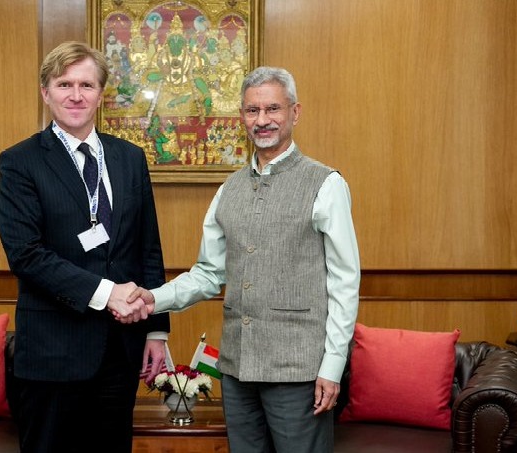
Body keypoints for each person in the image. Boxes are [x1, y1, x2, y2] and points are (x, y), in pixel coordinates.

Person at [126, 66, 360, 453]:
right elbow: (207, 274)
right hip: (236, 370)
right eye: (253, 111)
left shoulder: (326, 184)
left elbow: (345, 283)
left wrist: (332, 366)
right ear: (242, 117)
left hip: (299, 371)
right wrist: (153, 298)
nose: (262, 120)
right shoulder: (229, 189)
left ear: (295, 112)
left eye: (273, 109)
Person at [0, 41, 170, 453]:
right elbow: (26, 254)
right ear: (46, 92)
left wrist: (157, 329)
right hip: (54, 353)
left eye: (86, 85)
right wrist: (108, 293)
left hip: (120, 351)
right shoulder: (20, 161)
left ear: (101, 94)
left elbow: (147, 247)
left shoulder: (129, 157)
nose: (76, 95)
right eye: (64, 84)